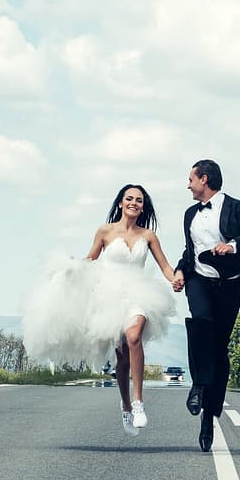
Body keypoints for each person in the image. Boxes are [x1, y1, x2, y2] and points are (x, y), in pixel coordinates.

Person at [22, 184, 177, 437]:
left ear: (143, 207)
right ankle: (125, 404)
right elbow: (91, 259)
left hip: (140, 293)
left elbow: (165, 267)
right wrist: (70, 266)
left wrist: (176, 279)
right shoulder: (105, 231)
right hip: (108, 296)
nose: (133, 203)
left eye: (138, 200)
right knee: (122, 358)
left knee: (134, 337)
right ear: (120, 203)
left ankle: (138, 402)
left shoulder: (148, 236)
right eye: (129, 199)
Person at [172, 160, 240, 452]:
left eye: (191, 179)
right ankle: (198, 387)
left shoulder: (238, 208)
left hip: (228, 285)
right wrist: (179, 271)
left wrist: (232, 245)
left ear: (204, 179)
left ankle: (209, 417)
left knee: (219, 349)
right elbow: (191, 250)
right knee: (199, 324)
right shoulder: (190, 215)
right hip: (199, 279)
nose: (188, 185)